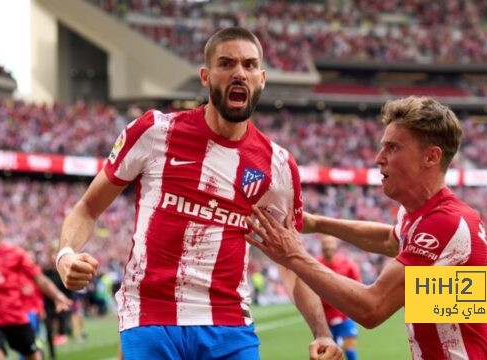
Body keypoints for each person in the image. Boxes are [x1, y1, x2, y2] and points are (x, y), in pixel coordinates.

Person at [56, 27, 342, 360]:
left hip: (229, 324)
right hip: (151, 316)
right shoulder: (155, 132)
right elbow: (88, 208)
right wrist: (65, 254)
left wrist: (323, 333)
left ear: (262, 79)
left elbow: (291, 262)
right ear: (206, 76)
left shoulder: (277, 166)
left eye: (249, 65)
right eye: (227, 63)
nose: (239, 72)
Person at [245, 96, 487, 359]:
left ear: (431, 157)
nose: (379, 158)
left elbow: (371, 308)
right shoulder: (429, 215)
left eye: (393, 148)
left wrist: (293, 255)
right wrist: (317, 223)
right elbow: (390, 240)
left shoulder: (445, 224)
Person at [0, 210, 72, 360]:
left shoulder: (16, 253)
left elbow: (39, 278)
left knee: (35, 356)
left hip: (15, 316)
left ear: (3, 228)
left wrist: (58, 296)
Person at [317, 236, 361, 360]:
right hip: (325, 319)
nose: (327, 247)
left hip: (346, 316)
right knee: (330, 356)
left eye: (330, 243)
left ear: (335, 245)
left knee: (351, 352)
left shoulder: (347, 264)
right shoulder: (315, 265)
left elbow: (358, 287)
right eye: (325, 244)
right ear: (321, 247)